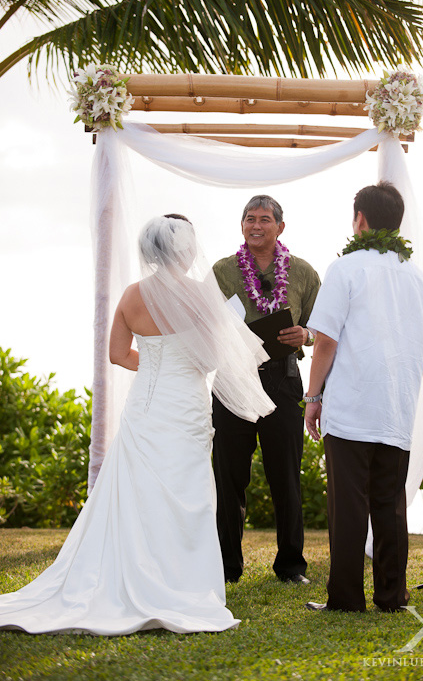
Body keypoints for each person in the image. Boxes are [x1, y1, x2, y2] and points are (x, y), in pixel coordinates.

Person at [0, 214, 275, 635]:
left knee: (136, 492)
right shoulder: (201, 297)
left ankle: (125, 574)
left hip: (147, 405)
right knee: (189, 493)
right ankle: (181, 583)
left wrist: (156, 364)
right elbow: (212, 360)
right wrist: (184, 362)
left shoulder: (131, 295)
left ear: (149, 251)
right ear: (185, 251)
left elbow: (116, 354)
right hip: (185, 404)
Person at [303, 182, 423, 613]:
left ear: (360, 220)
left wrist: (312, 396)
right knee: (390, 505)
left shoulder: (345, 267)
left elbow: (325, 340)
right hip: (396, 407)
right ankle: (391, 597)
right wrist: (403, 393)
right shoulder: (418, 277)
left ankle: (345, 599)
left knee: (348, 506)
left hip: (351, 404)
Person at [212, 195, 321, 584]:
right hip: (232, 379)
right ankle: (227, 566)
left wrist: (304, 334)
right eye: (248, 219)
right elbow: (208, 322)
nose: (255, 225)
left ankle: (291, 566)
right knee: (229, 477)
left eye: (264, 219)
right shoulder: (221, 271)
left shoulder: (304, 273)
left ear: (280, 227)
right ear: (241, 225)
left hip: (283, 379)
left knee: (285, 477)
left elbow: (322, 330)